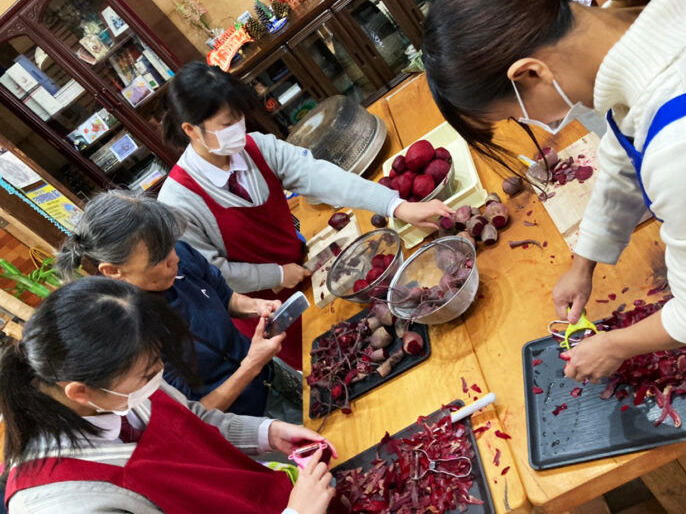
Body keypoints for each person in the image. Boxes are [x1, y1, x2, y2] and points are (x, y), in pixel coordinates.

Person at [421, 0, 686, 381]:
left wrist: (613, 346)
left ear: (530, 73)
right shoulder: (642, 24)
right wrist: (583, 262)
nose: (529, 123)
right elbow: (626, 151)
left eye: (515, 115)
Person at [158, 61, 453, 370]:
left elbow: (320, 176)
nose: (239, 130)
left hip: (307, 271)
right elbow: (213, 273)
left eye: (240, 118)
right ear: (191, 130)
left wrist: (396, 206)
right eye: (226, 124)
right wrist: (277, 275)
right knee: (337, 364)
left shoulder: (256, 147)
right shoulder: (178, 203)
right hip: (268, 308)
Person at [0, 277, 334, 514]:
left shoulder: (121, 385)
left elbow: (196, 419)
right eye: (147, 374)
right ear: (80, 392)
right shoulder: (59, 502)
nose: (158, 376)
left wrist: (268, 433)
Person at [56, 190, 298, 420]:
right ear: (113, 271)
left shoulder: (178, 254)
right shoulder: (127, 331)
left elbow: (226, 297)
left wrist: (257, 306)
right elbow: (195, 415)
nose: (174, 258)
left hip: (270, 372)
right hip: (241, 418)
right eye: (158, 259)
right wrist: (250, 366)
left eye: (170, 244)